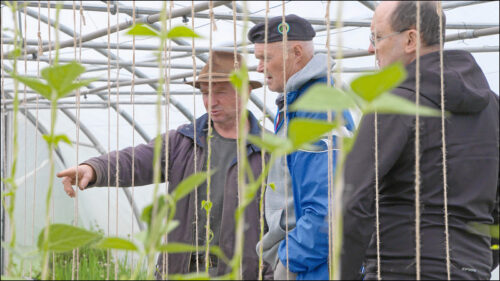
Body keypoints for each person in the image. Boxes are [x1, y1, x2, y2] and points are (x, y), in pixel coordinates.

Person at [57, 51, 273, 279]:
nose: (211, 101)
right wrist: (93, 169)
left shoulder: (269, 151)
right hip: (181, 272)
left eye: (220, 92)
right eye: (205, 92)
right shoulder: (184, 142)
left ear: (245, 91)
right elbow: (134, 161)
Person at [341, 1, 499, 280]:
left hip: (399, 267)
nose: (370, 49)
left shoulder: (394, 103)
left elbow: (351, 198)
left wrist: (344, 274)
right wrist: (475, 262)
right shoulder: (493, 107)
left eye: (376, 37)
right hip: (472, 269)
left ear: (411, 39)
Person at [248, 14, 354, 280]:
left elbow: (328, 209)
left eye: (265, 58)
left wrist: (290, 263)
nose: (259, 68)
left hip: (315, 268)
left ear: (296, 52)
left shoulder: (318, 108)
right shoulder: (297, 104)